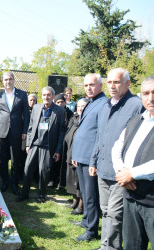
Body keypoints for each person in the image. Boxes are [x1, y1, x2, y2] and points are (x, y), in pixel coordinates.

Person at [89, 68, 143, 249]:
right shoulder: (105, 105)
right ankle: (107, 245)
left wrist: (131, 171)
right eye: (109, 82)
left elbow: (139, 141)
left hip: (121, 172)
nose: (112, 86)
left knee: (114, 213)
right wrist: (93, 160)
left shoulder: (136, 105)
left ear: (127, 84)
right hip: (103, 167)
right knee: (105, 210)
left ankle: (110, 247)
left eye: (117, 82)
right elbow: (100, 135)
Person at [112, 76, 154, 250]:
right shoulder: (136, 120)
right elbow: (117, 147)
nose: (151, 98)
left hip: (152, 201)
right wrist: (122, 173)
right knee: (132, 245)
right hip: (130, 197)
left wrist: (133, 174)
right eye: (146, 93)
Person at [71, 73, 108, 242]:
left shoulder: (103, 104)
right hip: (81, 155)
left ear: (100, 85)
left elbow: (100, 135)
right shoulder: (91, 102)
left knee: (91, 196)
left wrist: (93, 158)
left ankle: (92, 231)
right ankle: (86, 220)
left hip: (90, 158)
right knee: (85, 193)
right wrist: (76, 154)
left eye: (92, 85)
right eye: (86, 85)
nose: (88, 88)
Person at [17, 86, 67, 203]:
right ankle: (24, 193)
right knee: (28, 168)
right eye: (44, 95)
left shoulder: (60, 111)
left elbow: (62, 133)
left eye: (49, 95)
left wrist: (58, 150)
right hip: (34, 144)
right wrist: (28, 144)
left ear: (53, 97)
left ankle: (42, 195)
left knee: (44, 171)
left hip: (48, 146)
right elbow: (30, 127)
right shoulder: (36, 107)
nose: (46, 97)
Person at [0, 72, 29, 195]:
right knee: (2, 158)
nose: (8, 81)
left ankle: (14, 183)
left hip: (17, 131)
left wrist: (25, 131)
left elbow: (26, 115)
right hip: (2, 132)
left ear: (14, 80)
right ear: (3, 81)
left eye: (10, 79)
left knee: (15, 159)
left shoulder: (22, 95)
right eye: (6, 79)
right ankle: (4, 181)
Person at [64, 98, 88, 215]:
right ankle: (74, 201)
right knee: (71, 179)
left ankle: (81, 206)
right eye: (78, 106)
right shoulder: (74, 119)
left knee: (79, 183)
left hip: (81, 156)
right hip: (70, 154)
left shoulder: (87, 121)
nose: (80, 108)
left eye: (83, 106)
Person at [50, 93, 74, 189]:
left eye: (62, 102)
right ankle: (51, 180)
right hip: (55, 140)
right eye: (58, 102)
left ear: (65, 103)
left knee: (62, 163)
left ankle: (61, 182)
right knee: (53, 161)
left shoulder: (70, 113)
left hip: (66, 141)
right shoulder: (54, 111)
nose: (60, 104)